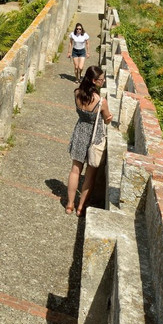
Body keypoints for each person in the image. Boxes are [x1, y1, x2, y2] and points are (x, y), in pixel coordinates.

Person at [65, 66, 112, 215]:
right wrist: (109, 118)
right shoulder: (100, 101)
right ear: (93, 80)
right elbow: (107, 119)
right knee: (89, 175)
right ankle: (80, 208)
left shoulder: (77, 93)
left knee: (75, 171)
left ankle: (69, 205)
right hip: (94, 136)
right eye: (101, 79)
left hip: (79, 132)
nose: (103, 81)